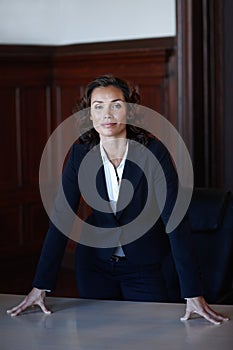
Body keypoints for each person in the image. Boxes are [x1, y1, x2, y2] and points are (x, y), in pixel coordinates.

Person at [7, 74, 228, 325]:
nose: (107, 114)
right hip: (95, 265)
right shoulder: (80, 153)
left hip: (145, 266)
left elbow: (175, 220)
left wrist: (192, 292)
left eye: (116, 105)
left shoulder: (154, 152)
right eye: (97, 107)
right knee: (97, 337)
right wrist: (41, 285)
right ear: (89, 114)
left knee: (151, 337)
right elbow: (62, 218)